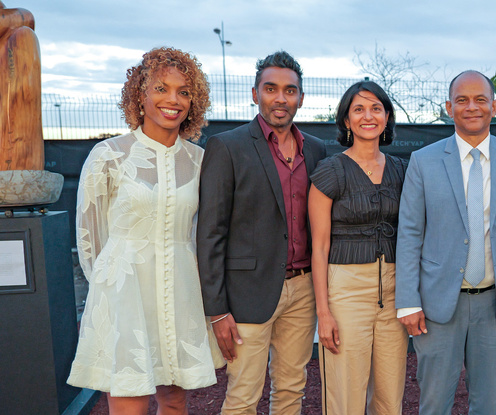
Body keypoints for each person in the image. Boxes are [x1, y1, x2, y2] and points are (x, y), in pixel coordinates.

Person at [68, 47, 215, 414]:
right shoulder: (109, 155)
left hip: (180, 290)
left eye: (184, 92)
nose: (173, 100)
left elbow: (202, 231)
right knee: (128, 399)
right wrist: (111, 289)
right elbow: (90, 236)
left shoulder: (200, 161)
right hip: (124, 292)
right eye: (161, 88)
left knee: (176, 400)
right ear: (140, 94)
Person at [396, 70, 496, 415]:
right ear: (448, 107)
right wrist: (408, 302)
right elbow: (410, 232)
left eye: (479, 99)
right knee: (434, 404)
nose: (471, 107)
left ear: (494, 106)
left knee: (486, 404)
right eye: (462, 100)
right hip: (437, 306)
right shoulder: (424, 161)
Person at [196, 51, 327, 415]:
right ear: (255, 94)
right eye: (271, 89)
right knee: (243, 397)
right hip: (247, 296)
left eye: (290, 90)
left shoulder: (316, 150)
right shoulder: (228, 146)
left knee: (291, 389)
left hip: (302, 291)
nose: (280, 98)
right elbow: (210, 232)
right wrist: (217, 311)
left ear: (301, 98)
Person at [309, 81, 409, 414]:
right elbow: (320, 247)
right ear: (346, 120)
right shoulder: (331, 172)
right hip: (346, 293)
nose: (368, 116)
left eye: (376, 108)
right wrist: (323, 313)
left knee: (390, 394)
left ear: (387, 116)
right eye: (358, 109)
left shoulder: (401, 170)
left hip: (394, 293)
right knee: (345, 393)